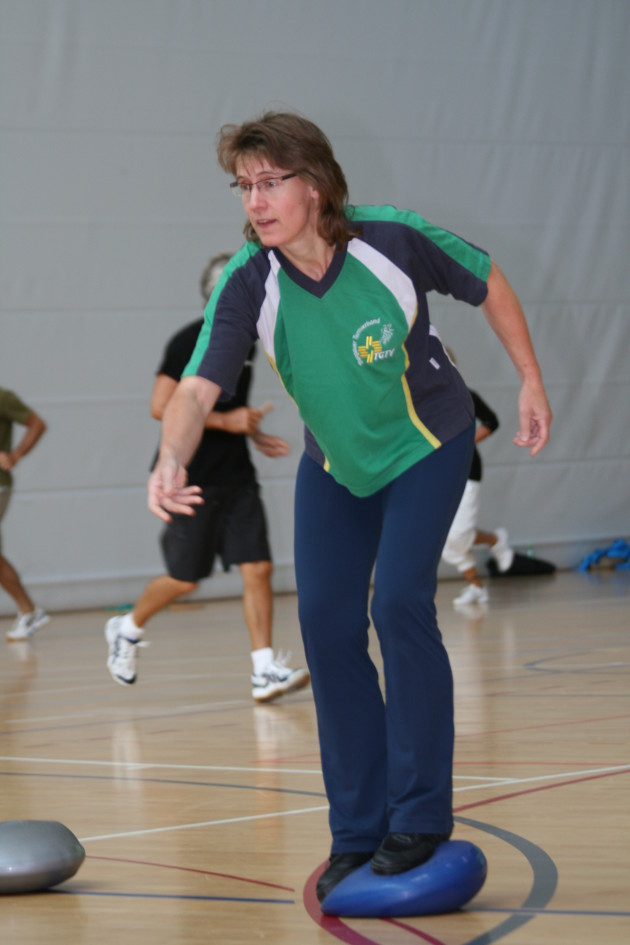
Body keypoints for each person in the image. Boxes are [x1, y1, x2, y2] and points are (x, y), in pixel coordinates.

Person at [145, 112, 552, 902]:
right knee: (328, 626)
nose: (255, 201)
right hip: (336, 465)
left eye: (271, 182)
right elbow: (195, 390)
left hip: (426, 442)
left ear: (317, 184)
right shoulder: (249, 280)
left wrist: (530, 379)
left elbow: (487, 277)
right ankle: (357, 831)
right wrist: (170, 456)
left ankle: (419, 816)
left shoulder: (390, 239)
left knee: (399, 601)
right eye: (244, 186)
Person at [105, 252, 310, 703]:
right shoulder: (188, 342)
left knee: (258, 567)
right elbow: (162, 406)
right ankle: (127, 627)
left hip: (237, 474)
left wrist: (252, 432)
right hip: (190, 476)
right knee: (185, 579)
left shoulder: (248, 344)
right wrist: (229, 422)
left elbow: (228, 408)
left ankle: (263, 670)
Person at [441, 362, 515, 606]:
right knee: (443, 541)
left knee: (457, 535)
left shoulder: (464, 396)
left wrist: (466, 442)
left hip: (466, 470)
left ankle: (495, 540)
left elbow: (492, 421)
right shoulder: (417, 399)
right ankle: (476, 588)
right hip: (435, 475)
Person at [0, 387, 50, 641]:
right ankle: (30, 612)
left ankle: (30, 612)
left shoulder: (2, 397)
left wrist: (15, 455)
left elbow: (37, 424)